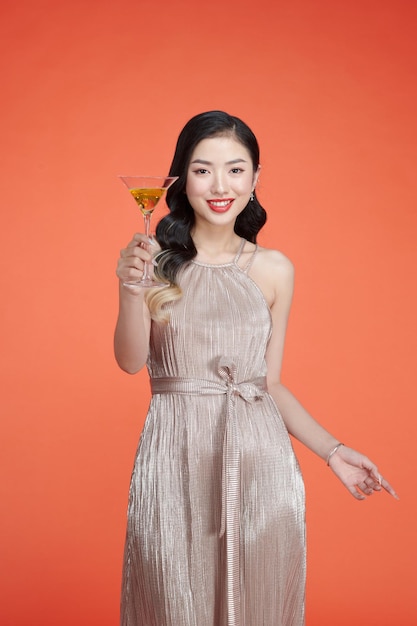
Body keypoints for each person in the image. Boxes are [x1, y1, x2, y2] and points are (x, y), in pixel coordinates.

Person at [114, 110, 398, 626]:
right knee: (171, 598)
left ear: (255, 179)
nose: (220, 185)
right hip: (174, 455)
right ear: (180, 179)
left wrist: (334, 453)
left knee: (257, 601)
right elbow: (131, 362)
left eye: (236, 169)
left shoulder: (274, 269)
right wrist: (129, 292)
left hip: (258, 459)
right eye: (202, 170)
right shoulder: (154, 263)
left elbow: (269, 385)